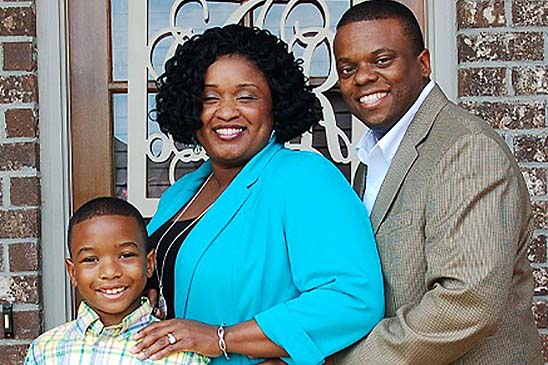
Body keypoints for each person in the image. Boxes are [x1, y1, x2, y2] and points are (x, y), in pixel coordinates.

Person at [129, 24, 384, 365]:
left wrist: (220, 337)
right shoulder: (180, 194)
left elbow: (352, 298)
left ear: (275, 104)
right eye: (209, 97)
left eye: (246, 96)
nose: (227, 112)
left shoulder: (304, 178)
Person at [332, 1, 542, 364]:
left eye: (382, 60)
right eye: (348, 68)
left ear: (424, 63)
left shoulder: (466, 149)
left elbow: (466, 302)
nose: (362, 77)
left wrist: (346, 360)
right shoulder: (374, 157)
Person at [24, 197, 209, 365]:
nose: (110, 272)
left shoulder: (181, 354)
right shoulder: (45, 351)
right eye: (90, 259)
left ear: (149, 263)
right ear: (73, 272)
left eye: (126, 255)